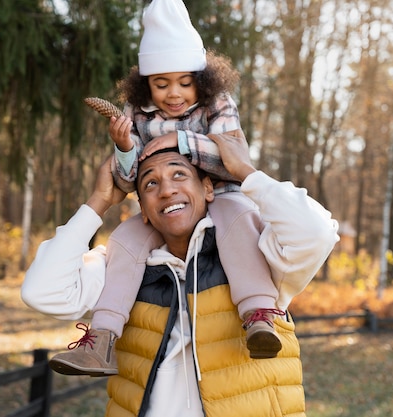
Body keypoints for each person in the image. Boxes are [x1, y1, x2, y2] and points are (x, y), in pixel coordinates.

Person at [22, 132, 339, 417]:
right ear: (143, 210)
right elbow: (41, 292)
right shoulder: (120, 269)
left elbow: (317, 232)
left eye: (178, 175)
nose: (166, 190)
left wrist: (245, 172)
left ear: (207, 188)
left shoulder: (260, 257)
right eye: (150, 183)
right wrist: (98, 202)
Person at [48, 0, 283, 376]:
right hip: (159, 204)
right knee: (125, 239)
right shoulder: (134, 113)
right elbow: (128, 182)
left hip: (219, 194)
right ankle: (103, 339)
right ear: (145, 84)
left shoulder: (219, 104)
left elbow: (233, 159)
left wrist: (182, 141)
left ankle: (258, 317)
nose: (174, 94)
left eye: (184, 83)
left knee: (240, 222)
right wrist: (125, 149)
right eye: (161, 84)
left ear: (201, 80)